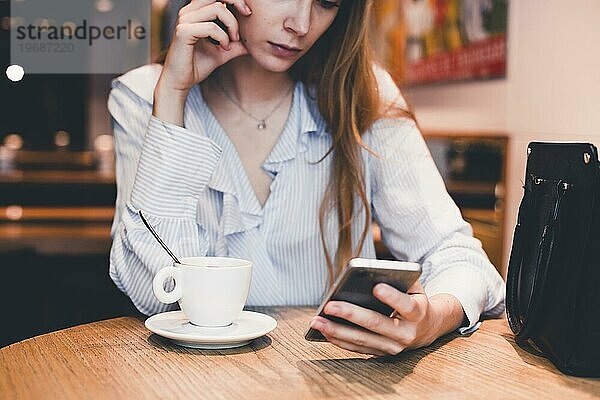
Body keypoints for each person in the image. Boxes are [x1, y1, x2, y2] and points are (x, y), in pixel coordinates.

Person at [108, 0, 505, 356]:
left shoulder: (364, 93)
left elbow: (458, 256)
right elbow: (152, 293)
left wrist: (432, 317)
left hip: (331, 378)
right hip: (190, 382)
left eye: (327, 2)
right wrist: (173, 95)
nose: (301, 24)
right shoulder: (147, 95)